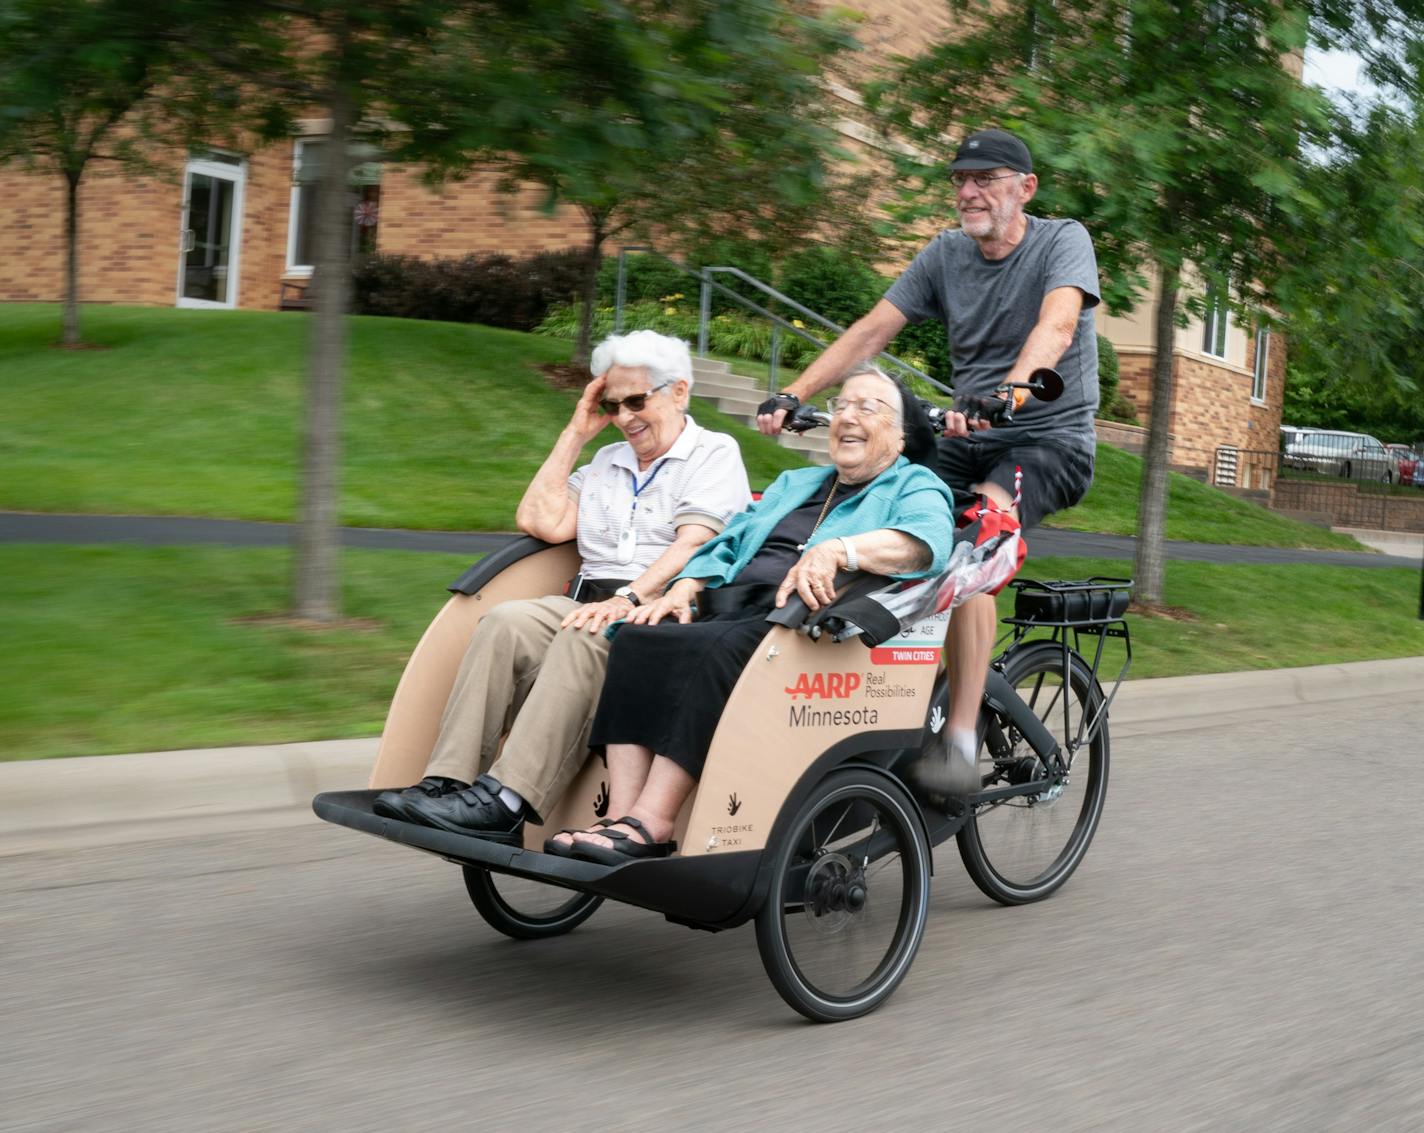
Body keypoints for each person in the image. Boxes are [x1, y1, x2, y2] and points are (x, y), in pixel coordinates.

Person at [755, 126, 1101, 796]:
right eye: (961, 180)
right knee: (882, 515)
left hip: (1048, 439)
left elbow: (1055, 326)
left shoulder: (1064, 242)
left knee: (973, 542)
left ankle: (961, 738)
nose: (969, 192)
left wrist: (1012, 390)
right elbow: (871, 330)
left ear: (1025, 188)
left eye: (987, 179)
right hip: (967, 434)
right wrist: (795, 392)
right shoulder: (945, 254)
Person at [546, 365, 955, 863]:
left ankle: (652, 822)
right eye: (840, 406)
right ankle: (620, 819)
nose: (846, 417)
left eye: (867, 408)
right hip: (734, 607)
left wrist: (837, 550)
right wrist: (686, 586)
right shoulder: (798, 482)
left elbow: (925, 544)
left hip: (801, 626)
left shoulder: (914, 485)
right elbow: (732, 540)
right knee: (637, 636)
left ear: (901, 432)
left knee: (713, 652)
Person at [374, 330, 752, 842]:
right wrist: (576, 433)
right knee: (504, 622)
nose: (624, 417)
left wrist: (628, 598)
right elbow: (540, 520)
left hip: (659, 608)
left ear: (679, 392)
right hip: (586, 599)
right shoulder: (607, 462)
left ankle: (507, 800)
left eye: (637, 401)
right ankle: (447, 782)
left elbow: (692, 544)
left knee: (585, 635)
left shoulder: (712, 452)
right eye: (613, 405)